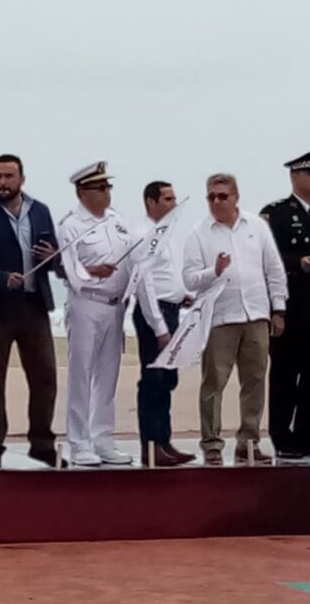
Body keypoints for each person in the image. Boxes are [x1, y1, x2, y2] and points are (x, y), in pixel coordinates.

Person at [58, 161, 164, 467]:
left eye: (109, 187)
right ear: (82, 192)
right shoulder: (71, 225)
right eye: (100, 188)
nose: (107, 194)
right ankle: (79, 443)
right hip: (86, 304)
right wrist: (90, 271)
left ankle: (103, 439)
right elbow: (69, 271)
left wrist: (154, 319)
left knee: (108, 375)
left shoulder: (119, 222)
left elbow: (137, 265)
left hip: (116, 307)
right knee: (82, 374)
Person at [0, 154, 64, 468]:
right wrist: (3, 279)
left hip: (34, 307)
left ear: (22, 178)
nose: (3, 183)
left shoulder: (41, 211)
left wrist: (55, 257)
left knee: (45, 377)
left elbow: (55, 255)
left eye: (8, 176)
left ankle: (42, 443)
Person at [183, 173, 286, 466]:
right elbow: (189, 279)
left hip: (255, 314)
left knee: (254, 380)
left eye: (222, 196)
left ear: (236, 197)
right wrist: (213, 271)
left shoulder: (257, 227)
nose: (216, 201)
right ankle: (212, 443)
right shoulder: (199, 233)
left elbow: (274, 270)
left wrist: (278, 309)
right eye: (211, 196)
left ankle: (248, 442)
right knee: (214, 381)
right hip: (220, 318)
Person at [132, 181, 196, 467]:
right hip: (153, 314)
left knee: (167, 380)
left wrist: (182, 295)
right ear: (151, 202)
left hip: (171, 309)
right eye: (167, 198)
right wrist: (159, 327)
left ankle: (164, 440)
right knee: (153, 381)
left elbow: (165, 275)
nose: (173, 203)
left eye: (174, 198)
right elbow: (144, 284)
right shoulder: (143, 234)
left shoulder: (166, 233)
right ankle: (150, 445)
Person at [261, 151, 310, 460]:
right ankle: (281, 435)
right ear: (296, 176)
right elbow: (267, 259)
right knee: (284, 375)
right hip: (290, 308)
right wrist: (300, 262)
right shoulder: (275, 214)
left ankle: (306, 435)